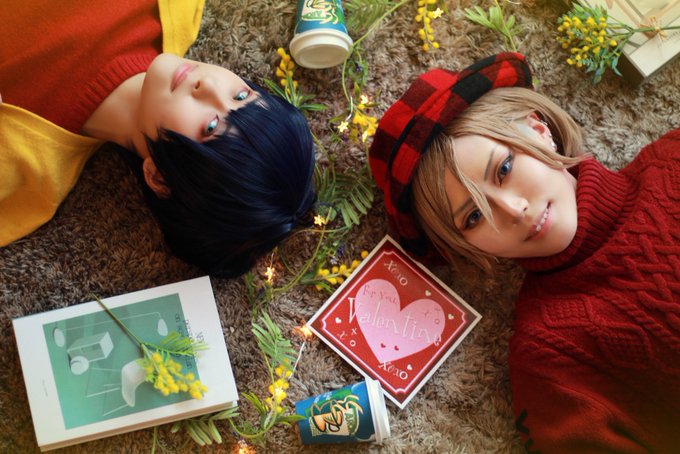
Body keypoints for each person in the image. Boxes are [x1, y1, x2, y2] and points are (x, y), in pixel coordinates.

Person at [369, 53, 680, 452]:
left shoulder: (672, 156)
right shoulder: (549, 354)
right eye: (474, 217)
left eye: (503, 169)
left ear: (539, 129)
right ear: (466, 246)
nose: (513, 211)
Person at [0, 0, 316, 278]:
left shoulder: (22, 167)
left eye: (209, 127)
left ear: (159, 178)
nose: (208, 85)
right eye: (242, 95)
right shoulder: (176, 9)